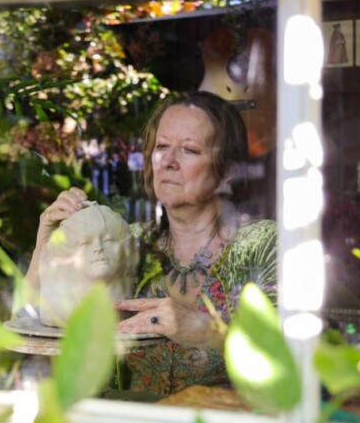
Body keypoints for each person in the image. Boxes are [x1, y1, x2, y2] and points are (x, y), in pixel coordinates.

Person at [24, 91, 277, 396]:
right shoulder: (123, 242)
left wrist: (208, 332)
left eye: (189, 150)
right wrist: (45, 247)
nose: (167, 161)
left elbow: (292, 358)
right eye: (162, 146)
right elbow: (34, 320)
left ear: (227, 171)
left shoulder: (264, 245)